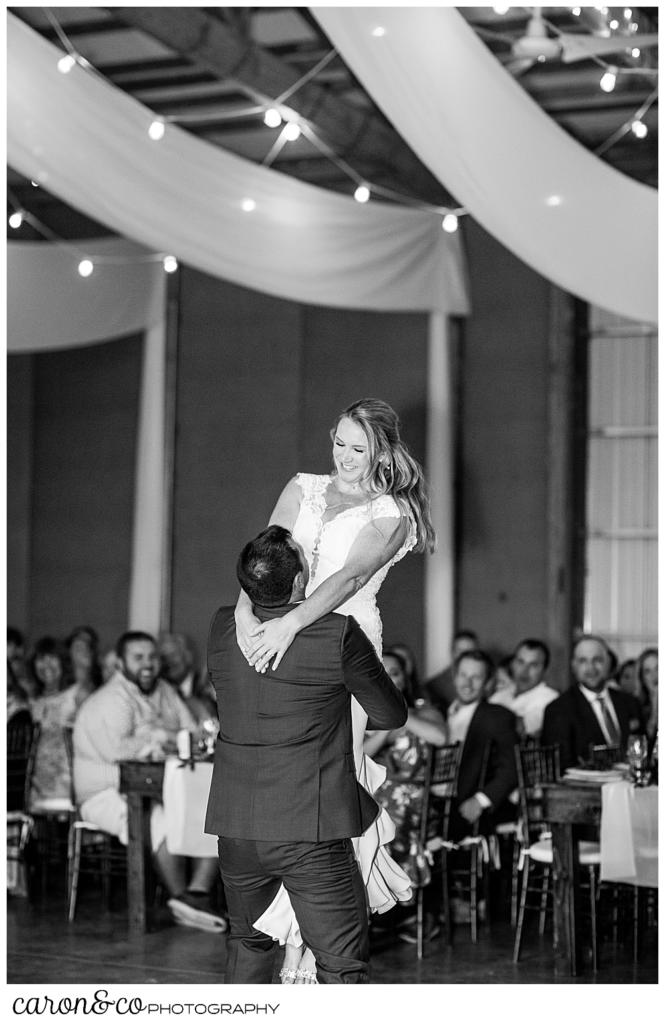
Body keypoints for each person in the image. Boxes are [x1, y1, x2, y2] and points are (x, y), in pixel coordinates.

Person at [234, 397, 435, 982]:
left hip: (344, 640)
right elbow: (266, 551)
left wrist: (293, 622)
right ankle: (272, 911)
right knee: (284, 778)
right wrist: (250, 618)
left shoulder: (393, 512)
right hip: (279, 631)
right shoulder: (303, 486)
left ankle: (307, 945)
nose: (345, 458)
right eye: (339, 444)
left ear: (383, 450)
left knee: (328, 781)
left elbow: (348, 578)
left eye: (359, 448)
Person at [205, 526, 408, 983]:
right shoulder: (335, 633)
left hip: (237, 826)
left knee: (248, 946)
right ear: (300, 580)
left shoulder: (222, 626)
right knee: (340, 964)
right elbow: (390, 714)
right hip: (310, 827)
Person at [73, 630, 225, 932]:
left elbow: (193, 732)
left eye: (152, 657)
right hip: (103, 793)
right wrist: (165, 738)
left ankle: (195, 895)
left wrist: (158, 737)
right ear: (120, 663)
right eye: (138, 657)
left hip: (160, 787)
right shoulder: (110, 699)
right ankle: (183, 898)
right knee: (158, 820)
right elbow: (118, 751)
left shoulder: (165, 691)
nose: (148, 664)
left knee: (210, 812)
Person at [364, 647, 447, 873]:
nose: (390, 678)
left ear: (405, 678)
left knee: (383, 822)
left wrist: (399, 713)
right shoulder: (363, 717)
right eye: (383, 672)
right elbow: (356, 756)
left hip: (415, 799)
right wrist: (384, 728)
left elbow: (440, 737)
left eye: (396, 672)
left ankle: (389, 890)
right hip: (374, 796)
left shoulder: (424, 711)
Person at [542, 634, 644, 770]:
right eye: (583, 661)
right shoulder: (558, 710)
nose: (591, 668)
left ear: (609, 663)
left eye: (597, 660)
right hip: (586, 788)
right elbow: (561, 766)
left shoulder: (630, 702)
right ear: (573, 666)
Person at [446, 649, 519, 840]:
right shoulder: (439, 714)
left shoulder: (498, 716)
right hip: (433, 802)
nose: (467, 683)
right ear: (454, 677)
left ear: (487, 682)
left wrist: (480, 801)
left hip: (466, 807)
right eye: (463, 675)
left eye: (476, 677)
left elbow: (512, 768)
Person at [489, 639, 558, 740]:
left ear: (544, 670)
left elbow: (521, 728)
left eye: (533, 665)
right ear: (512, 663)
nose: (524, 671)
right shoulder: (501, 694)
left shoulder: (551, 699)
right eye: (520, 662)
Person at [157, 631, 218, 724]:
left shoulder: (207, 685)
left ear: (188, 656)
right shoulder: (159, 689)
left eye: (173, 655)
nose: (168, 662)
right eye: (163, 657)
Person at [424, 628, 479, 711]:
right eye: (460, 651)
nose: (464, 656)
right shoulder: (435, 685)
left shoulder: (488, 681)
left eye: (470, 652)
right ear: (452, 652)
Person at [636, 646, 658, 740]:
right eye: (647, 671)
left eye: (658, 668)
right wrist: (655, 704)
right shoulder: (636, 706)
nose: (655, 676)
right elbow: (646, 742)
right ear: (642, 679)